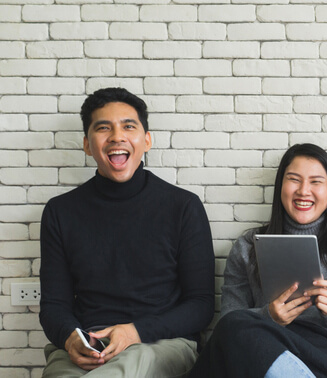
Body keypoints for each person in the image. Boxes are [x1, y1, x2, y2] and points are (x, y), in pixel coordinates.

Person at [39, 87, 215, 377]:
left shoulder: (183, 207)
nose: (117, 136)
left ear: (146, 140)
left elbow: (201, 306)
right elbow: (54, 306)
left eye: (128, 126)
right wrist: (70, 337)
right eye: (103, 128)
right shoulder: (60, 212)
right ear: (86, 144)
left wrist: (135, 332)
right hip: (89, 349)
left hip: (161, 345)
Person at [189, 143, 327, 378]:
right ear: (280, 186)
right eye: (294, 179)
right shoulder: (247, 247)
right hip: (265, 350)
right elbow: (230, 326)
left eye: (315, 182)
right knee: (231, 328)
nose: (303, 191)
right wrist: (268, 317)